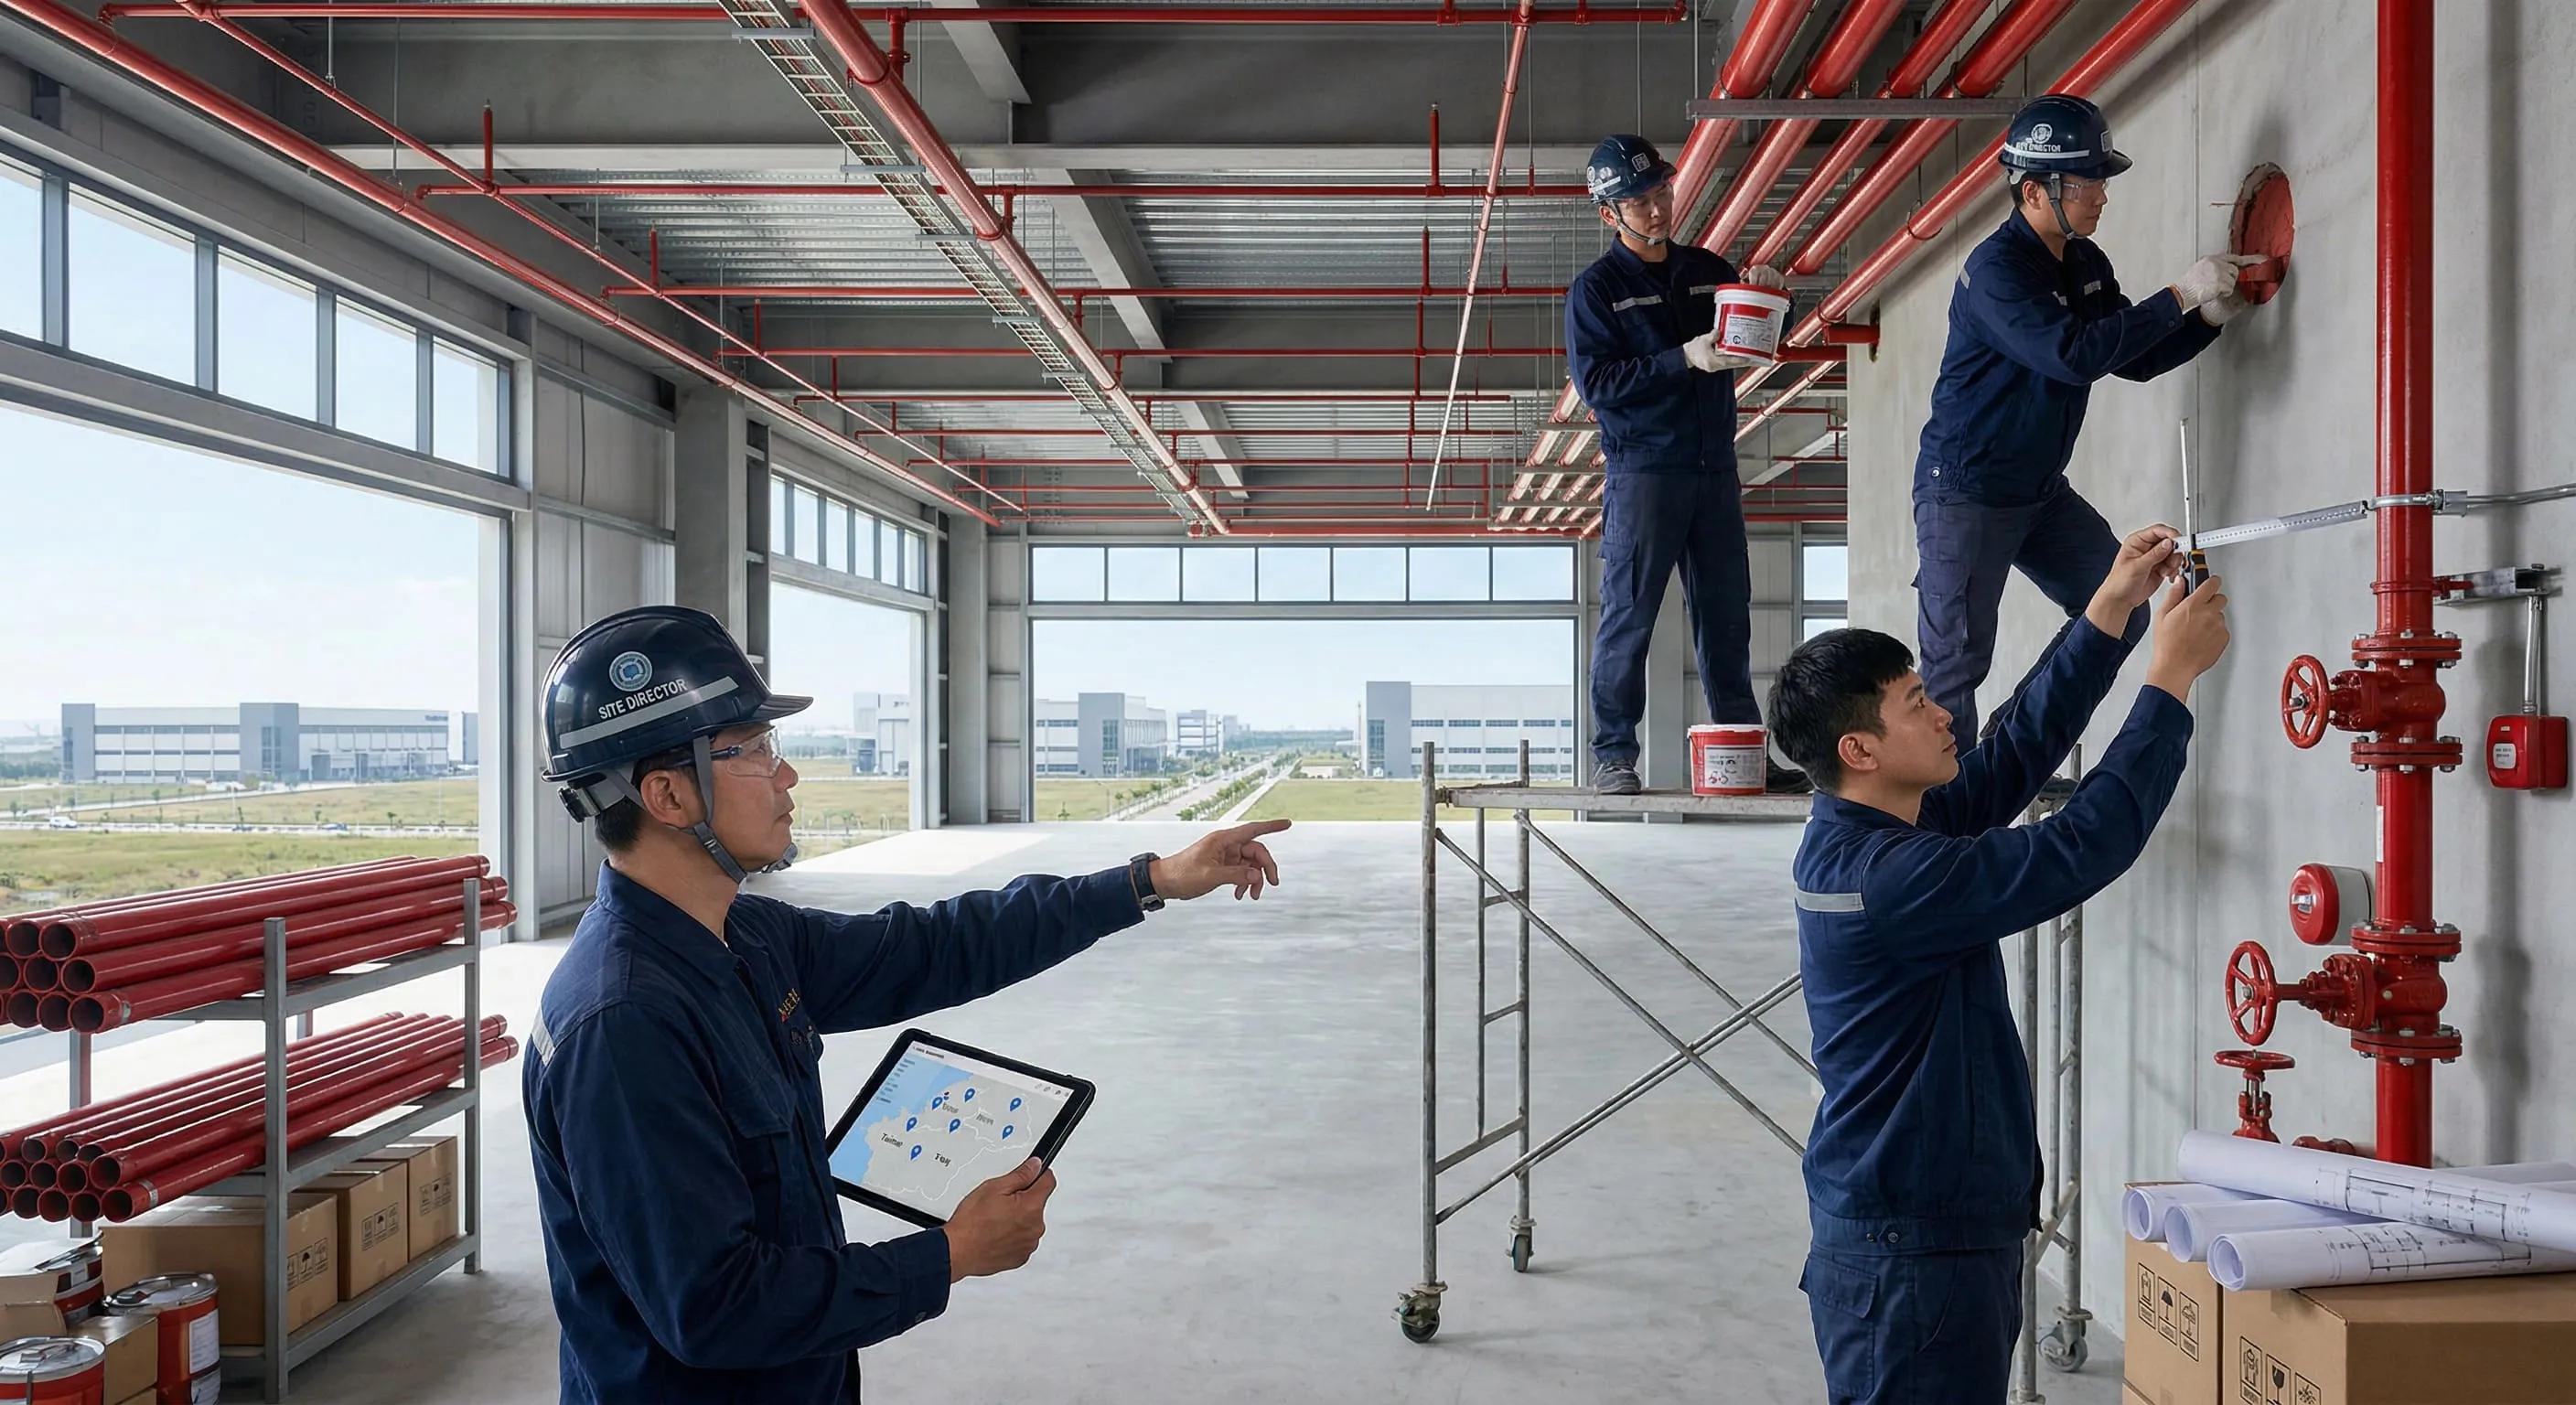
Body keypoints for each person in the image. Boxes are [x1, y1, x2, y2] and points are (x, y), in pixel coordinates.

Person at [521, 605, 1292, 1404]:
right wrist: (949, 1254)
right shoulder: (624, 1025)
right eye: (748, 751)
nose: (785, 776)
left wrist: (1151, 880)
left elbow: (937, 946)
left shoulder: (741, 935)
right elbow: (716, 1309)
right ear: (668, 797)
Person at [1766, 527, 2231, 1404]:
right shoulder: (1892, 879)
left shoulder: (1876, 831)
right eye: (1915, 703)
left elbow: (2015, 750)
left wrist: (2110, 610)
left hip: (1919, 1233)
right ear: (1860, 750)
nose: (1942, 711)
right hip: (1912, 1255)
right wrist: (2167, 681)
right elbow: (2081, 846)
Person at [1914, 92, 2263, 750]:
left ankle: (2001, 750)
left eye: (2101, 180)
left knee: (2120, 606)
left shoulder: (2084, 263)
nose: (2101, 195)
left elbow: (2127, 356)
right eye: (2085, 183)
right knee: (1954, 668)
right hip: (1965, 489)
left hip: (2039, 490)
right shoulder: (1996, 273)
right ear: (2033, 191)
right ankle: (1939, 821)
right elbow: (2072, 357)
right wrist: (2181, 293)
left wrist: (2208, 320)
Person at [1568, 132, 1806, 795]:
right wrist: (1684, 358)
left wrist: (1773, 295)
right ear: (1607, 213)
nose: (1655, 208)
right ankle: (1615, 755)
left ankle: (1744, 754)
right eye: (1637, 201)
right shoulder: (1596, 291)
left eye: (1661, 193)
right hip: (1645, 474)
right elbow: (1600, 386)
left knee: (1728, 618)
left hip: (1713, 472)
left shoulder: (1705, 269)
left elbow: (1761, 333)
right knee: (1629, 617)